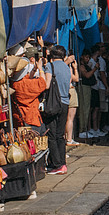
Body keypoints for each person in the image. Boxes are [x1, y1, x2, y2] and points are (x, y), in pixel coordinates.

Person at [44, 45, 71, 174]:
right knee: (60, 135)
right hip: (65, 103)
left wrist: (40, 69)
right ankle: (63, 164)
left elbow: (47, 84)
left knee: (52, 135)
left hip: (54, 104)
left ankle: (57, 165)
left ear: (51, 55)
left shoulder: (50, 66)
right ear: (63, 56)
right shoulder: (67, 67)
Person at [10, 46, 47, 134]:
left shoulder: (14, 83)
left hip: (19, 117)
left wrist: (34, 69)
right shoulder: (26, 84)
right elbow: (43, 83)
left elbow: (25, 77)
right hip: (30, 118)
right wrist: (41, 69)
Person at [78, 49, 96, 139]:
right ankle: (82, 129)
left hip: (88, 88)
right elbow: (87, 75)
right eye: (86, 57)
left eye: (89, 57)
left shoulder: (85, 65)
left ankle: (85, 128)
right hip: (84, 87)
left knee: (87, 108)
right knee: (84, 108)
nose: (88, 59)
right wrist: (95, 68)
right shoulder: (81, 66)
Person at [64, 51, 80, 146]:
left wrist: (75, 68)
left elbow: (76, 79)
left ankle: (68, 138)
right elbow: (71, 79)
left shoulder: (67, 67)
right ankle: (69, 138)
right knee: (70, 118)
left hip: (67, 91)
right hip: (70, 90)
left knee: (68, 118)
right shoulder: (65, 67)